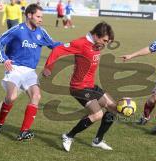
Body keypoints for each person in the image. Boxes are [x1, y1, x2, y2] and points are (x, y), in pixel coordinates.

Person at [43, 22, 117, 151]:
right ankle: (68, 136)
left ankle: (97, 140)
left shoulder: (95, 44)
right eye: (104, 40)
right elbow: (57, 50)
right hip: (79, 88)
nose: (105, 44)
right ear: (95, 35)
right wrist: (48, 67)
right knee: (97, 114)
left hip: (91, 86)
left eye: (108, 41)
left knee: (113, 109)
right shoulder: (80, 43)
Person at [0, 3, 61, 141]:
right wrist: (4, 59)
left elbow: (54, 45)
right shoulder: (17, 29)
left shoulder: (41, 32)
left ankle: (23, 131)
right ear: (29, 15)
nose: (41, 19)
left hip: (30, 72)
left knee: (36, 96)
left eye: (42, 17)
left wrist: (71, 46)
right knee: (11, 97)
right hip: (15, 69)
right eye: (38, 16)